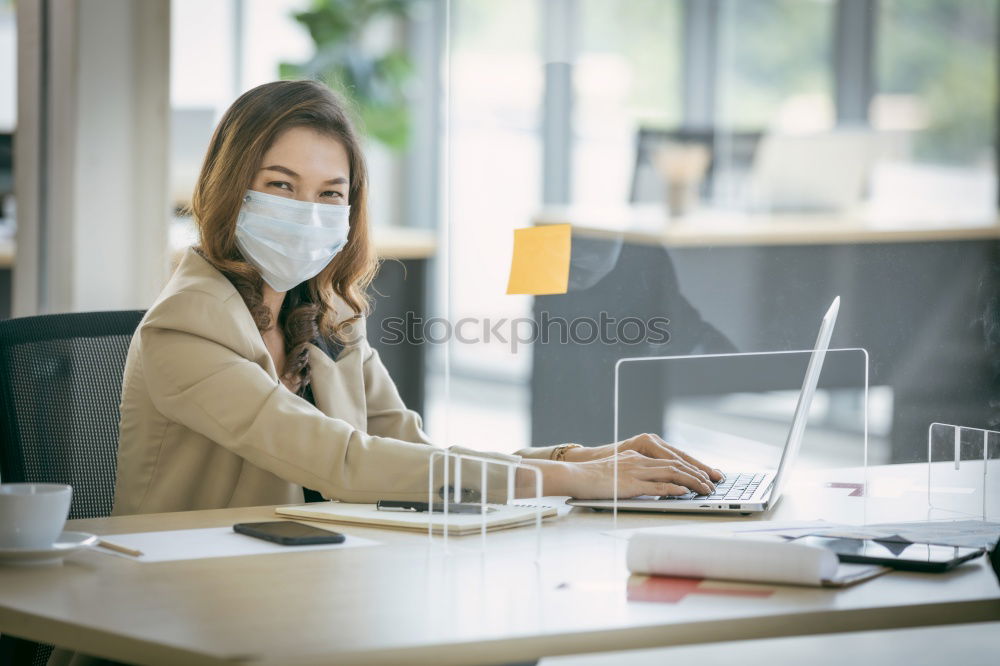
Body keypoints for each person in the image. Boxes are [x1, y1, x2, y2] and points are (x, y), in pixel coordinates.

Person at [111, 79, 722, 518]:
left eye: (330, 193)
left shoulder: (329, 317)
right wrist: (571, 479)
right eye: (280, 185)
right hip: (183, 609)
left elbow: (410, 458)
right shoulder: (186, 328)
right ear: (229, 188)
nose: (306, 211)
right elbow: (345, 462)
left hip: (305, 584)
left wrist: (577, 457)